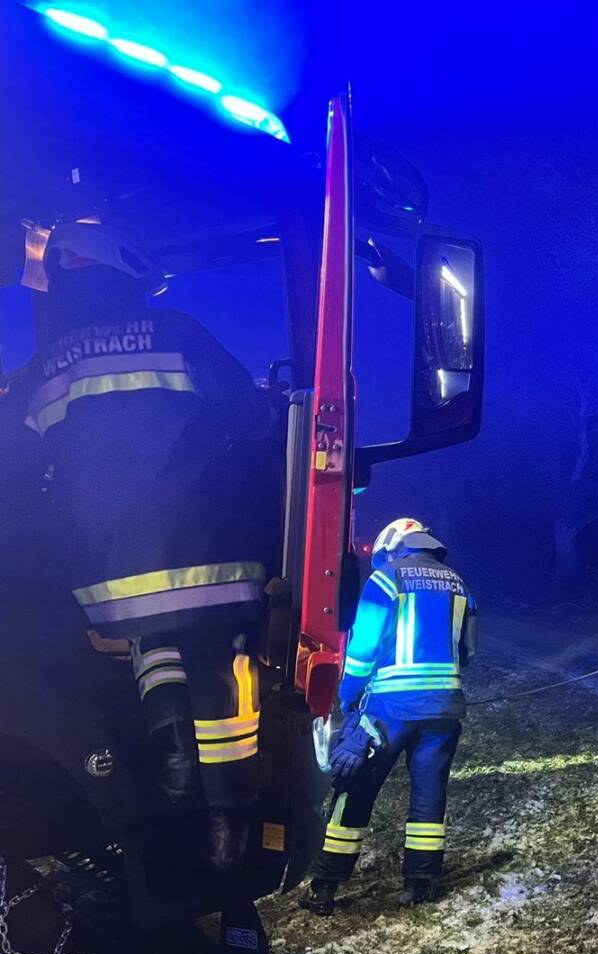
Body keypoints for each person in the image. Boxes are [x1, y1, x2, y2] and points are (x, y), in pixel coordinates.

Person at [7, 222, 276, 871]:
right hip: (209, 561)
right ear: (126, 277)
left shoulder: (47, 366)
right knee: (218, 663)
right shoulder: (177, 334)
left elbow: (12, 464)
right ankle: (228, 821)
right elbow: (254, 419)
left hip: (111, 582)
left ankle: (174, 759)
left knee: (152, 643)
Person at [303, 519, 477, 914]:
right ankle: (421, 883)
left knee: (356, 785)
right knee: (430, 794)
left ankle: (326, 886)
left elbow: (363, 647)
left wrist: (347, 696)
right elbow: (467, 651)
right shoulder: (459, 584)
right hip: (443, 708)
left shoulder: (386, 579)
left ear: (393, 547)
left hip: (388, 710)